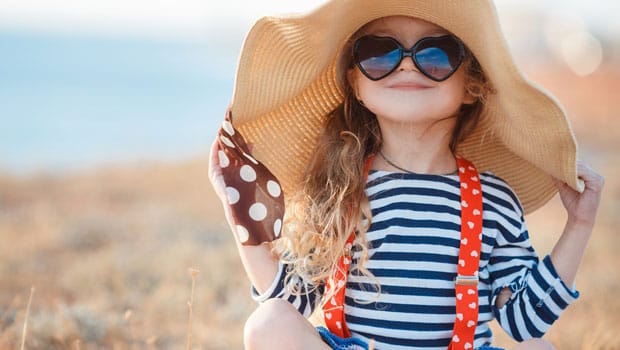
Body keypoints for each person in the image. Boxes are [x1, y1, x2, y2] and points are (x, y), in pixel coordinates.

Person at [208, 1, 604, 349]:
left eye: (437, 54)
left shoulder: (495, 200)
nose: (408, 64)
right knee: (268, 323)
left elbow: (525, 323)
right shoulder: (338, 188)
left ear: (471, 85)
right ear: (356, 83)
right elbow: (290, 303)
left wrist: (579, 225)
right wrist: (240, 212)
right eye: (379, 53)